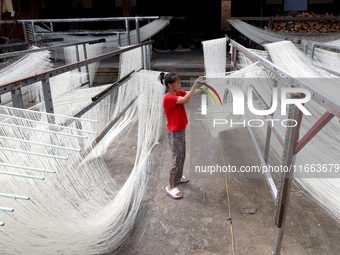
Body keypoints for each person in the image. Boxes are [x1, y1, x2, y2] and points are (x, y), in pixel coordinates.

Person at [159, 72, 205, 199]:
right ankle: (171, 186)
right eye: (178, 83)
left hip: (180, 129)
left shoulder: (177, 92)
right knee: (177, 157)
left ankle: (178, 177)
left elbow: (192, 94)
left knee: (182, 155)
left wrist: (203, 87)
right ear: (170, 85)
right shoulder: (168, 97)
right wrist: (195, 83)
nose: (180, 85)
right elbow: (187, 99)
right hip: (174, 132)